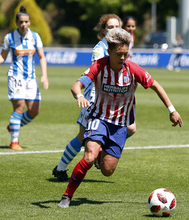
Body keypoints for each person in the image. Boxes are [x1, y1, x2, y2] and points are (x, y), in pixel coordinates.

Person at [57, 28, 183, 208]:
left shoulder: (132, 69)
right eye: (119, 54)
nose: (123, 58)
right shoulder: (99, 66)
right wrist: (79, 96)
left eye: (125, 54)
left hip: (120, 124)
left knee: (108, 171)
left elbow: (155, 85)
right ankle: (67, 196)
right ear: (109, 52)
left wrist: (172, 110)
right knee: (89, 156)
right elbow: (76, 86)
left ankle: (102, 153)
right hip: (98, 118)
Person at [52, 14, 122, 181]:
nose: (113, 30)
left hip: (111, 97)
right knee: (82, 136)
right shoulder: (99, 49)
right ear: (103, 30)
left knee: (131, 128)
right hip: (95, 97)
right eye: (109, 27)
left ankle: (100, 153)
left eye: (116, 27)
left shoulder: (120, 46)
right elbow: (103, 72)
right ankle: (61, 168)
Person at [0, 5, 49, 150]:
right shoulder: (9, 37)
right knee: (20, 107)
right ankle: (14, 142)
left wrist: (44, 76)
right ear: (17, 23)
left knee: (34, 111)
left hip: (31, 78)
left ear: (30, 22)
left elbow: (41, 57)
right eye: (21, 22)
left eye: (26, 22)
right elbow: (2, 57)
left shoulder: (35, 37)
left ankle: (13, 125)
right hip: (16, 77)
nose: (24, 24)